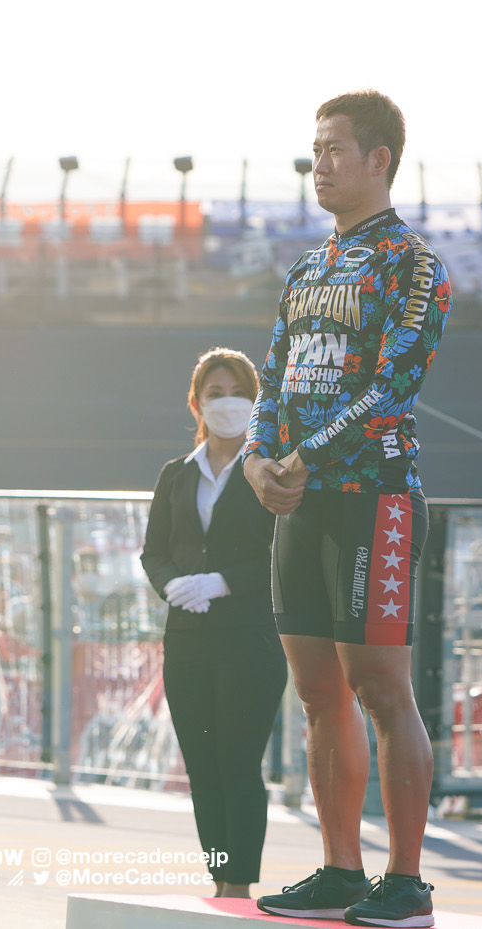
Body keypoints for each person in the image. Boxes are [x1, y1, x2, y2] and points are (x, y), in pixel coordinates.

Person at [244, 92, 449, 927]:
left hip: (377, 500)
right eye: (315, 147)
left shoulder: (413, 263)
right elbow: (274, 375)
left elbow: (394, 383)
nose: (320, 162)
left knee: (379, 687)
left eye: (336, 147)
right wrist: (260, 460)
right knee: (315, 689)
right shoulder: (308, 267)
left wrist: (301, 457)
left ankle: (407, 882)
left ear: (381, 159)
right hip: (301, 502)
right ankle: (338, 867)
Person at [140, 346, 282, 902]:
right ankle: (218, 883)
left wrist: (223, 581)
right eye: (216, 393)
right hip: (188, 638)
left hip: (250, 638)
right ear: (195, 403)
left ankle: (239, 887)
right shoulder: (177, 475)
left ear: (257, 400)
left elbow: (281, 551)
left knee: (239, 764)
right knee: (202, 767)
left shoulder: (271, 471)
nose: (228, 403)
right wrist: (171, 583)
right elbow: (154, 551)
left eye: (238, 393)